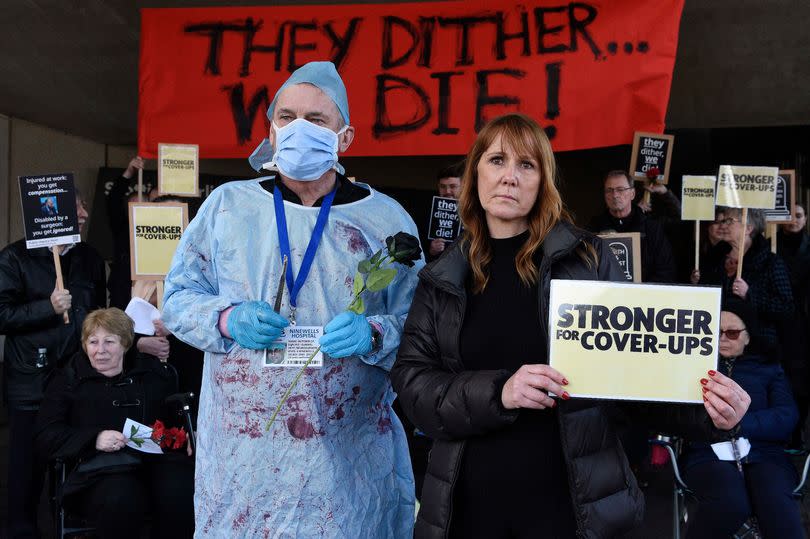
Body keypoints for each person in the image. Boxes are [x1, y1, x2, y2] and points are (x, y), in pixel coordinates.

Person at [391, 113, 751, 538]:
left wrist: (709, 411)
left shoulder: (590, 260)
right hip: (468, 505)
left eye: (527, 165)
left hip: (573, 506)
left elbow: (635, 379)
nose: (510, 177)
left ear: (543, 181)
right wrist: (500, 391)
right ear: (475, 174)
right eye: (497, 160)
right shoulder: (442, 277)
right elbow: (413, 386)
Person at [162, 61, 423, 537]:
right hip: (245, 464)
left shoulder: (387, 222)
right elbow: (176, 300)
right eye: (286, 117)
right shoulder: (228, 206)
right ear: (271, 130)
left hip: (348, 464)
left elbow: (425, 328)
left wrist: (375, 332)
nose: (298, 129)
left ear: (345, 137)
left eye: (317, 120)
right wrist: (225, 319)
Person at [0, 189, 106, 538]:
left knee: (71, 454)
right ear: (49, 211)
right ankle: (21, 528)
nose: (83, 214)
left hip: (76, 377)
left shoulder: (90, 258)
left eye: (84, 206)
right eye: (75, 207)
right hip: (30, 381)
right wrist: (48, 307)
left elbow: (99, 315)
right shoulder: (15, 257)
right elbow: (2, 315)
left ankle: (67, 522)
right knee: (26, 464)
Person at [35, 308, 194, 539]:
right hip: (100, 471)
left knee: (181, 488)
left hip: (154, 463)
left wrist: (189, 432)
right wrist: (95, 438)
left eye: (109, 342)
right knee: (121, 497)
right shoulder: (68, 381)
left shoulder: (152, 375)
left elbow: (175, 420)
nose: (100, 350)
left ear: (126, 344)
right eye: (93, 342)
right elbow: (45, 435)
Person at [680, 297, 803, 538]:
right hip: (708, 452)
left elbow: (787, 415)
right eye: (717, 331)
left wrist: (738, 424)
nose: (723, 338)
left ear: (748, 336)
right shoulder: (694, 368)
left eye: (733, 332)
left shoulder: (769, 368)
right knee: (728, 502)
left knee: (775, 502)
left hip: (763, 453)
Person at [699, 207, 793, 360]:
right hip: (714, 345)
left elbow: (786, 308)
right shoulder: (714, 258)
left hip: (757, 352)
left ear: (748, 228)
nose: (723, 225)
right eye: (723, 221)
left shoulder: (770, 262)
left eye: (730, 221)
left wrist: (750, 294)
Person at [587, 170, 676, 282]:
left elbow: (666, 270)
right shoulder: (594, 228)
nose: (615, 195)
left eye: (620, 189)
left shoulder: (650, 227)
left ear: (632, 194)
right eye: (609, 190)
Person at [777, 203, 810, 451]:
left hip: (804, 323)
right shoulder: (772, 245)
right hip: (781, 323)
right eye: (790, 215)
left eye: (799, 215)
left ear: (805, 218)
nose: (794, 220)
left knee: (801, 380)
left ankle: (797, 431)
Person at [427, 161, 464, 261]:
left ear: (464, 186)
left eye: (453, 186)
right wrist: (431, 250)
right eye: (443, 187)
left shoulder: (474, 213)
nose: (447, 191)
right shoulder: (430, 213)